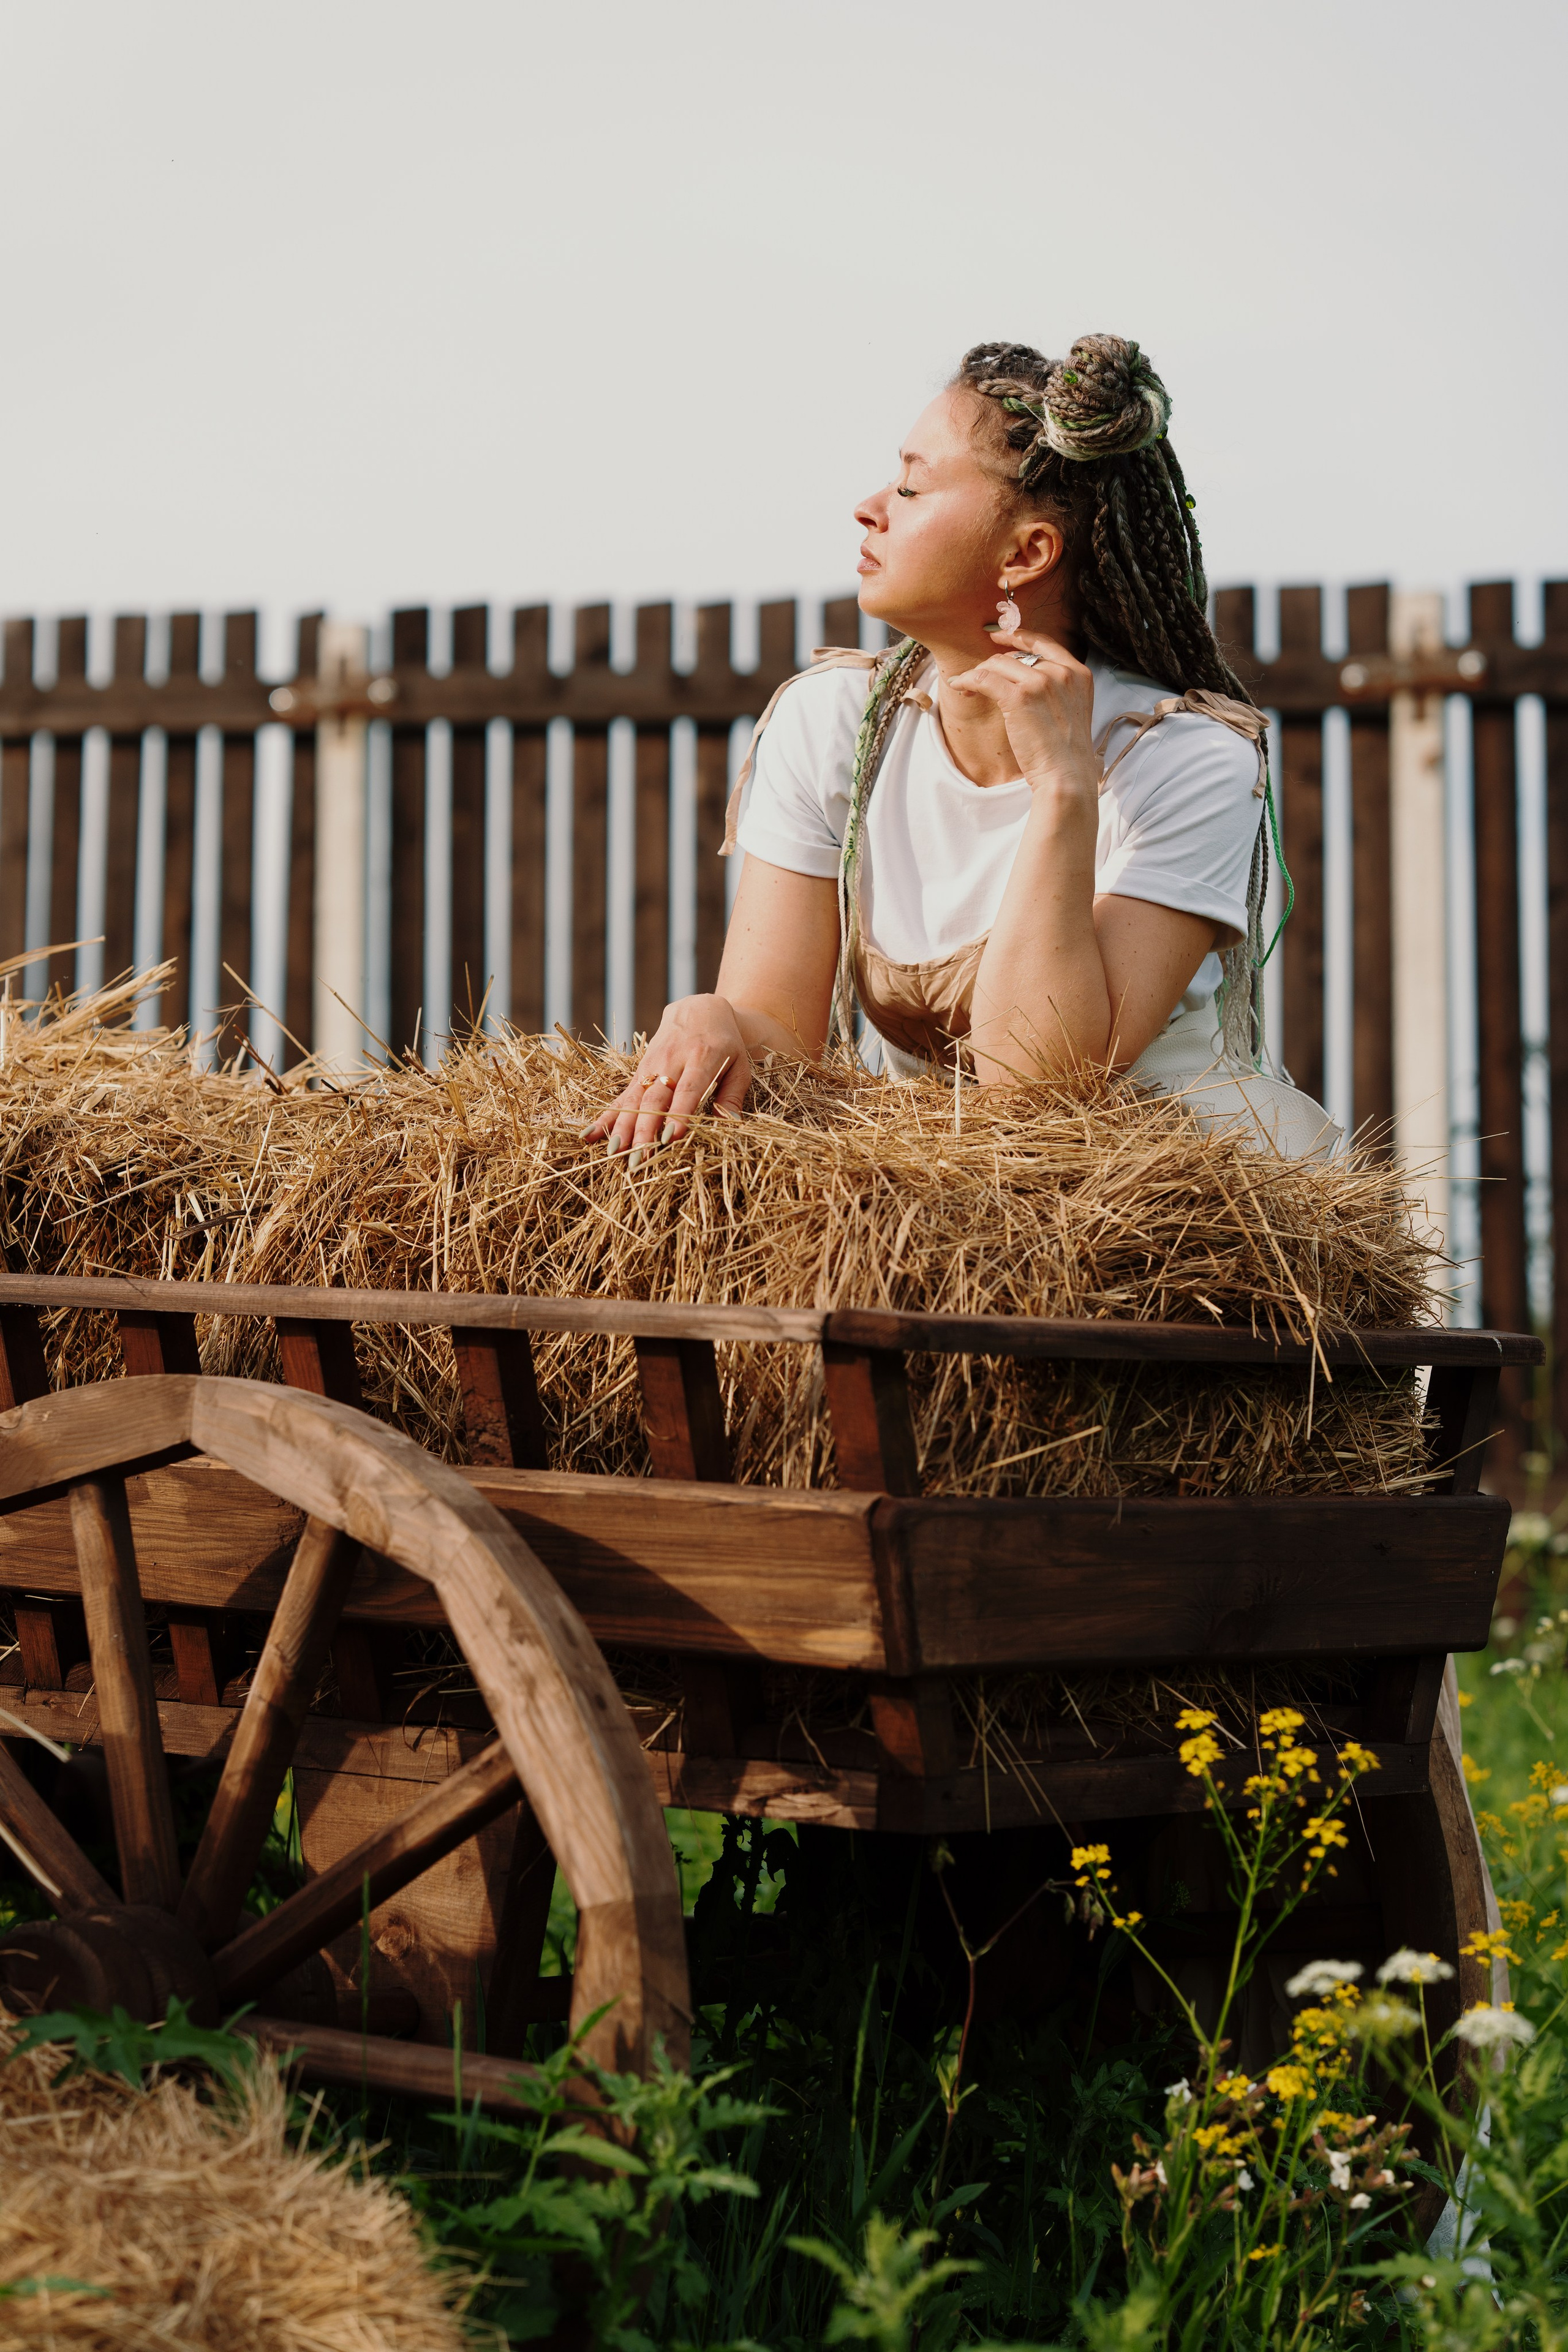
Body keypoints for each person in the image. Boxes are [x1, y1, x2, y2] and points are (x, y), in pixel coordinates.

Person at [587, 333, 1336, 1163]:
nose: (870, 506)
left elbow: (1036, 1088)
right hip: (934, 1211)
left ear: (1027, 554)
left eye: (911, 485)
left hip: (1169, 1221)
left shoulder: (1185, 760)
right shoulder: (834, 722)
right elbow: (783, 1049)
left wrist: (1061, 789)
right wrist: (714, 1017)